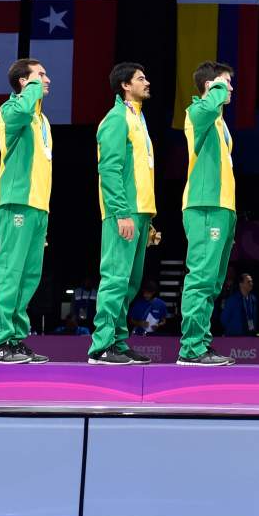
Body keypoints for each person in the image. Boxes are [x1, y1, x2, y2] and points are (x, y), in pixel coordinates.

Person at [89, 62, 158, 366]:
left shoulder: (138, 120)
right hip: (124, 213)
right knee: (115, 279)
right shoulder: (116, 119)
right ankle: (102, 346)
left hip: (139, 213)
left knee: (130, 283)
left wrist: (148, 219)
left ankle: (118, 341)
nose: (147, 82)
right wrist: (121, 212)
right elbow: (110, 170)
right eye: (141, 78)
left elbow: (140, 174)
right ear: (125, 86)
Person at [0, 58, 53, 364]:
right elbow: (23, 108)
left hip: (38, 207)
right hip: (16, 201)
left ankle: (15, 339)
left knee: (28, 276)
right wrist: (32, 90)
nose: (47, 79)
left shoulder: (41, 120)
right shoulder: (12, 110)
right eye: (40, 75)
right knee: (10, 272)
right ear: (24, 82)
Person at [177, 61, 238, 367]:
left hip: (223, 207)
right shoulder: (198, 113)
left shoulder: (219, 123)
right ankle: (191, 348)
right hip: (205, 206)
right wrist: (215, 88)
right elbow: (206, 106)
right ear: (210, 86)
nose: (231, 89)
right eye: (225, 83)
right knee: (201, 278)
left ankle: (201, 342)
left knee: (213, 283)